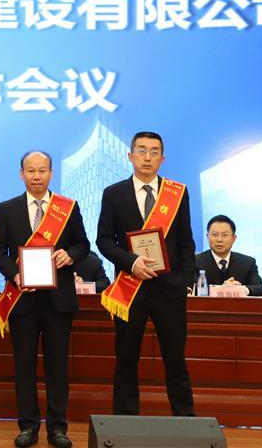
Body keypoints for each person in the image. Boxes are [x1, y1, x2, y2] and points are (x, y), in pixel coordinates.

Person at [0, 151, 89, 448]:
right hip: (23, 299)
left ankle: (58, 428)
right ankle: (28, 427)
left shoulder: (67, 208)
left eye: (42, 170)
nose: (36, 176)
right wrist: (14, 275)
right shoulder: (8, 209)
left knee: (57, 366)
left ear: (51, 173)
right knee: (24, 366)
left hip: (59, 300)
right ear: (21, 174)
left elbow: (83, 244)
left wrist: (70, 255)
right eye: (30, 171)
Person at [96, 131, 196, 417]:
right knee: (126, 361)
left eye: (154, 152)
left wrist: (185, 282)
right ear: (130, 156)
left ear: (162, 159)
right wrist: (131, 263)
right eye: (141, 151)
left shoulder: (177, 193)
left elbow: (186, 242)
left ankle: (185, 421)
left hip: (170, 290)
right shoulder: (113, 193)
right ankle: (125, 422)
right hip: (130, 288)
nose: (147, 157)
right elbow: (104, 240)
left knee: (175, 361)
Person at [194, 215, 262, 296]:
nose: (219, 240)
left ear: (234, 238)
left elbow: (261, 289)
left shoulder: (247, 262)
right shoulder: (195, 261)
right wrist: (221, 289)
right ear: (207, 236)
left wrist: (242, 290)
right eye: (214, 235)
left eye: (225, 235)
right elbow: (190, 289)